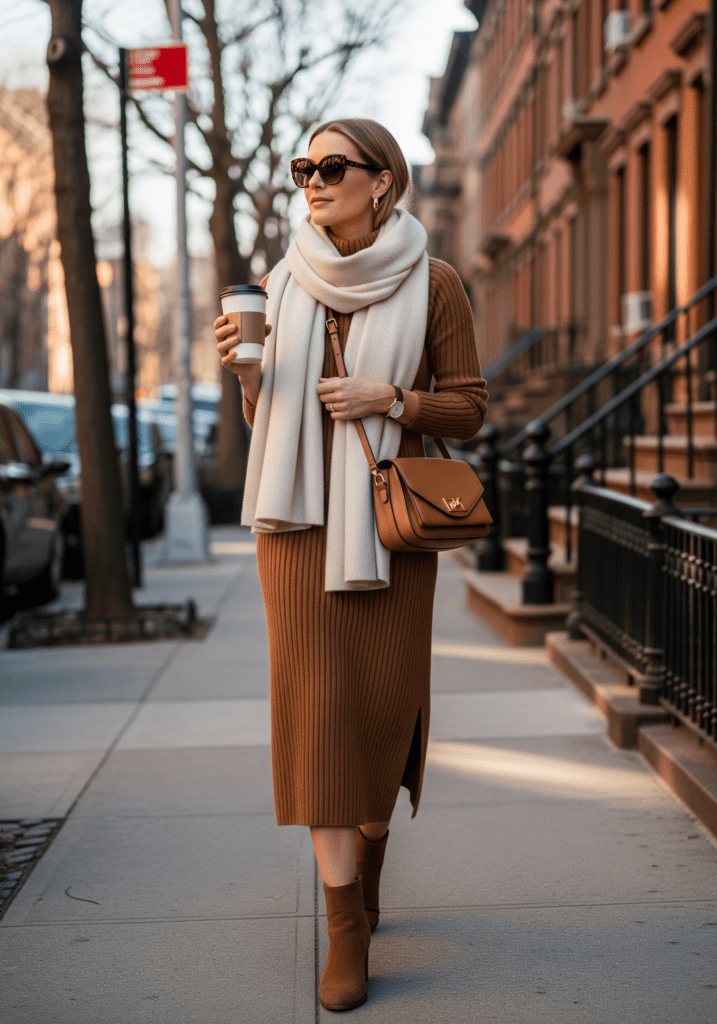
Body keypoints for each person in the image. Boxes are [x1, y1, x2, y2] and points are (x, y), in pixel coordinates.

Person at [215, 118, 487, 1012]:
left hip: (389, 532)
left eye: (332, 167)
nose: (314, 181)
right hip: (294, 534)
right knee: (319, 716)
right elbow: (271, 427)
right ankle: (343, 930)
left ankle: (367, 867)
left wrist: (392, 398)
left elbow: (470, 410)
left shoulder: (434, 282)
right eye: (304, 168)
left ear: (382, 181)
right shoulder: (282, 285)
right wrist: (249, 379)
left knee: (376, 708)